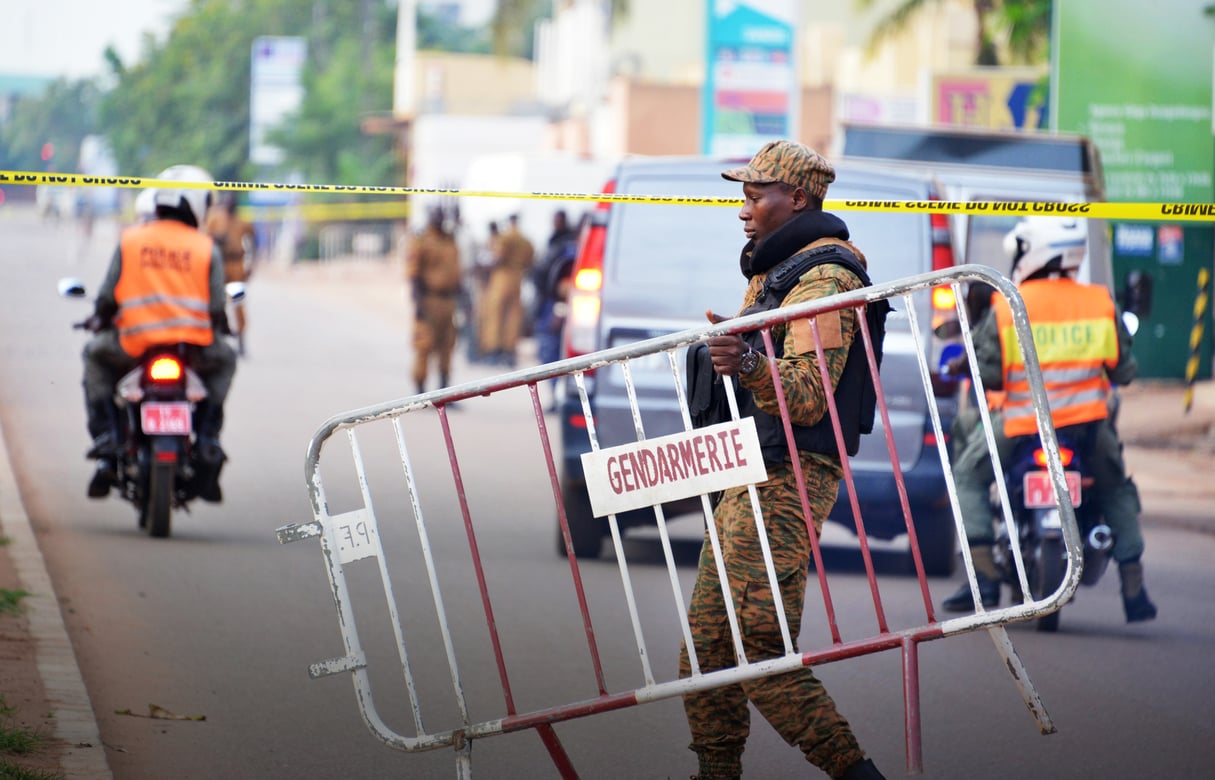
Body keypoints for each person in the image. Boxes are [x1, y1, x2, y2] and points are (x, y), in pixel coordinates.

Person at [681, 140, 886, 780]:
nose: (742, 209)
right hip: (752, 468)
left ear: (796, 198)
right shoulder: (778, 273)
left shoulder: (827, 279)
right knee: (710, 649)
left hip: (787, 479)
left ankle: (858, 774)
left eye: (754, 195)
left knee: (757, 648)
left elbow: (806, 394)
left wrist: (743, 361)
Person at [941, 216, 1157, 623]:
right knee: (1116, 490)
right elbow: (1124, 372)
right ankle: (1134, 587)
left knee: (969, 476)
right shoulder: (1099, 301)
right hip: (1089, 429)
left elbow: (987, 373)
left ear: (1035, 252)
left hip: (1023, 426)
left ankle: (984, 578)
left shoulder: (1009, 302)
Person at [81, 165, 237, 502]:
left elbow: (108, 296)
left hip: (133, 345)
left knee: (94, 355)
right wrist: (222, 327)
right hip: (191, 348)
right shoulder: (204, 247)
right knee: (226, 358)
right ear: (197, 206)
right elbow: (215, 305)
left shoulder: (131, 240)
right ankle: (208, 436)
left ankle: (107, 439)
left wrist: (98, 318)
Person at [406, 205, 463, 395]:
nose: (440, 219)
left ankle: (444, 391)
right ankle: (420, 391)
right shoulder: (421, 241)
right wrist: (418, 304)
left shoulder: (450, 240)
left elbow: (456, 271)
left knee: (447, 345)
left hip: (448, 301)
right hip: (429, 299)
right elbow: (413, 274)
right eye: (436, 215)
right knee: (424, 345)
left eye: (442, 216)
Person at [479, 213, 535, 367]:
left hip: (501, 278)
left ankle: (493, 349)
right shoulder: (525, 240)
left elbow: (498, 257)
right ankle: (509, 350)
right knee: (513, 316)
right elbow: (531, 259)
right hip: (517, 278)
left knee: (495, 314)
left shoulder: (504, 238)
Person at [203, 193, 256, 349]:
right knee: (216, 301)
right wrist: (217, 239)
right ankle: (215, 336)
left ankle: (241, 338)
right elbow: (205, 237)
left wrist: (252, 263)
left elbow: (253, 239)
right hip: (220, 264)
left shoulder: (241, 222)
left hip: (236, 265)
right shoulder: (215, 219)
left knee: (238, 302)